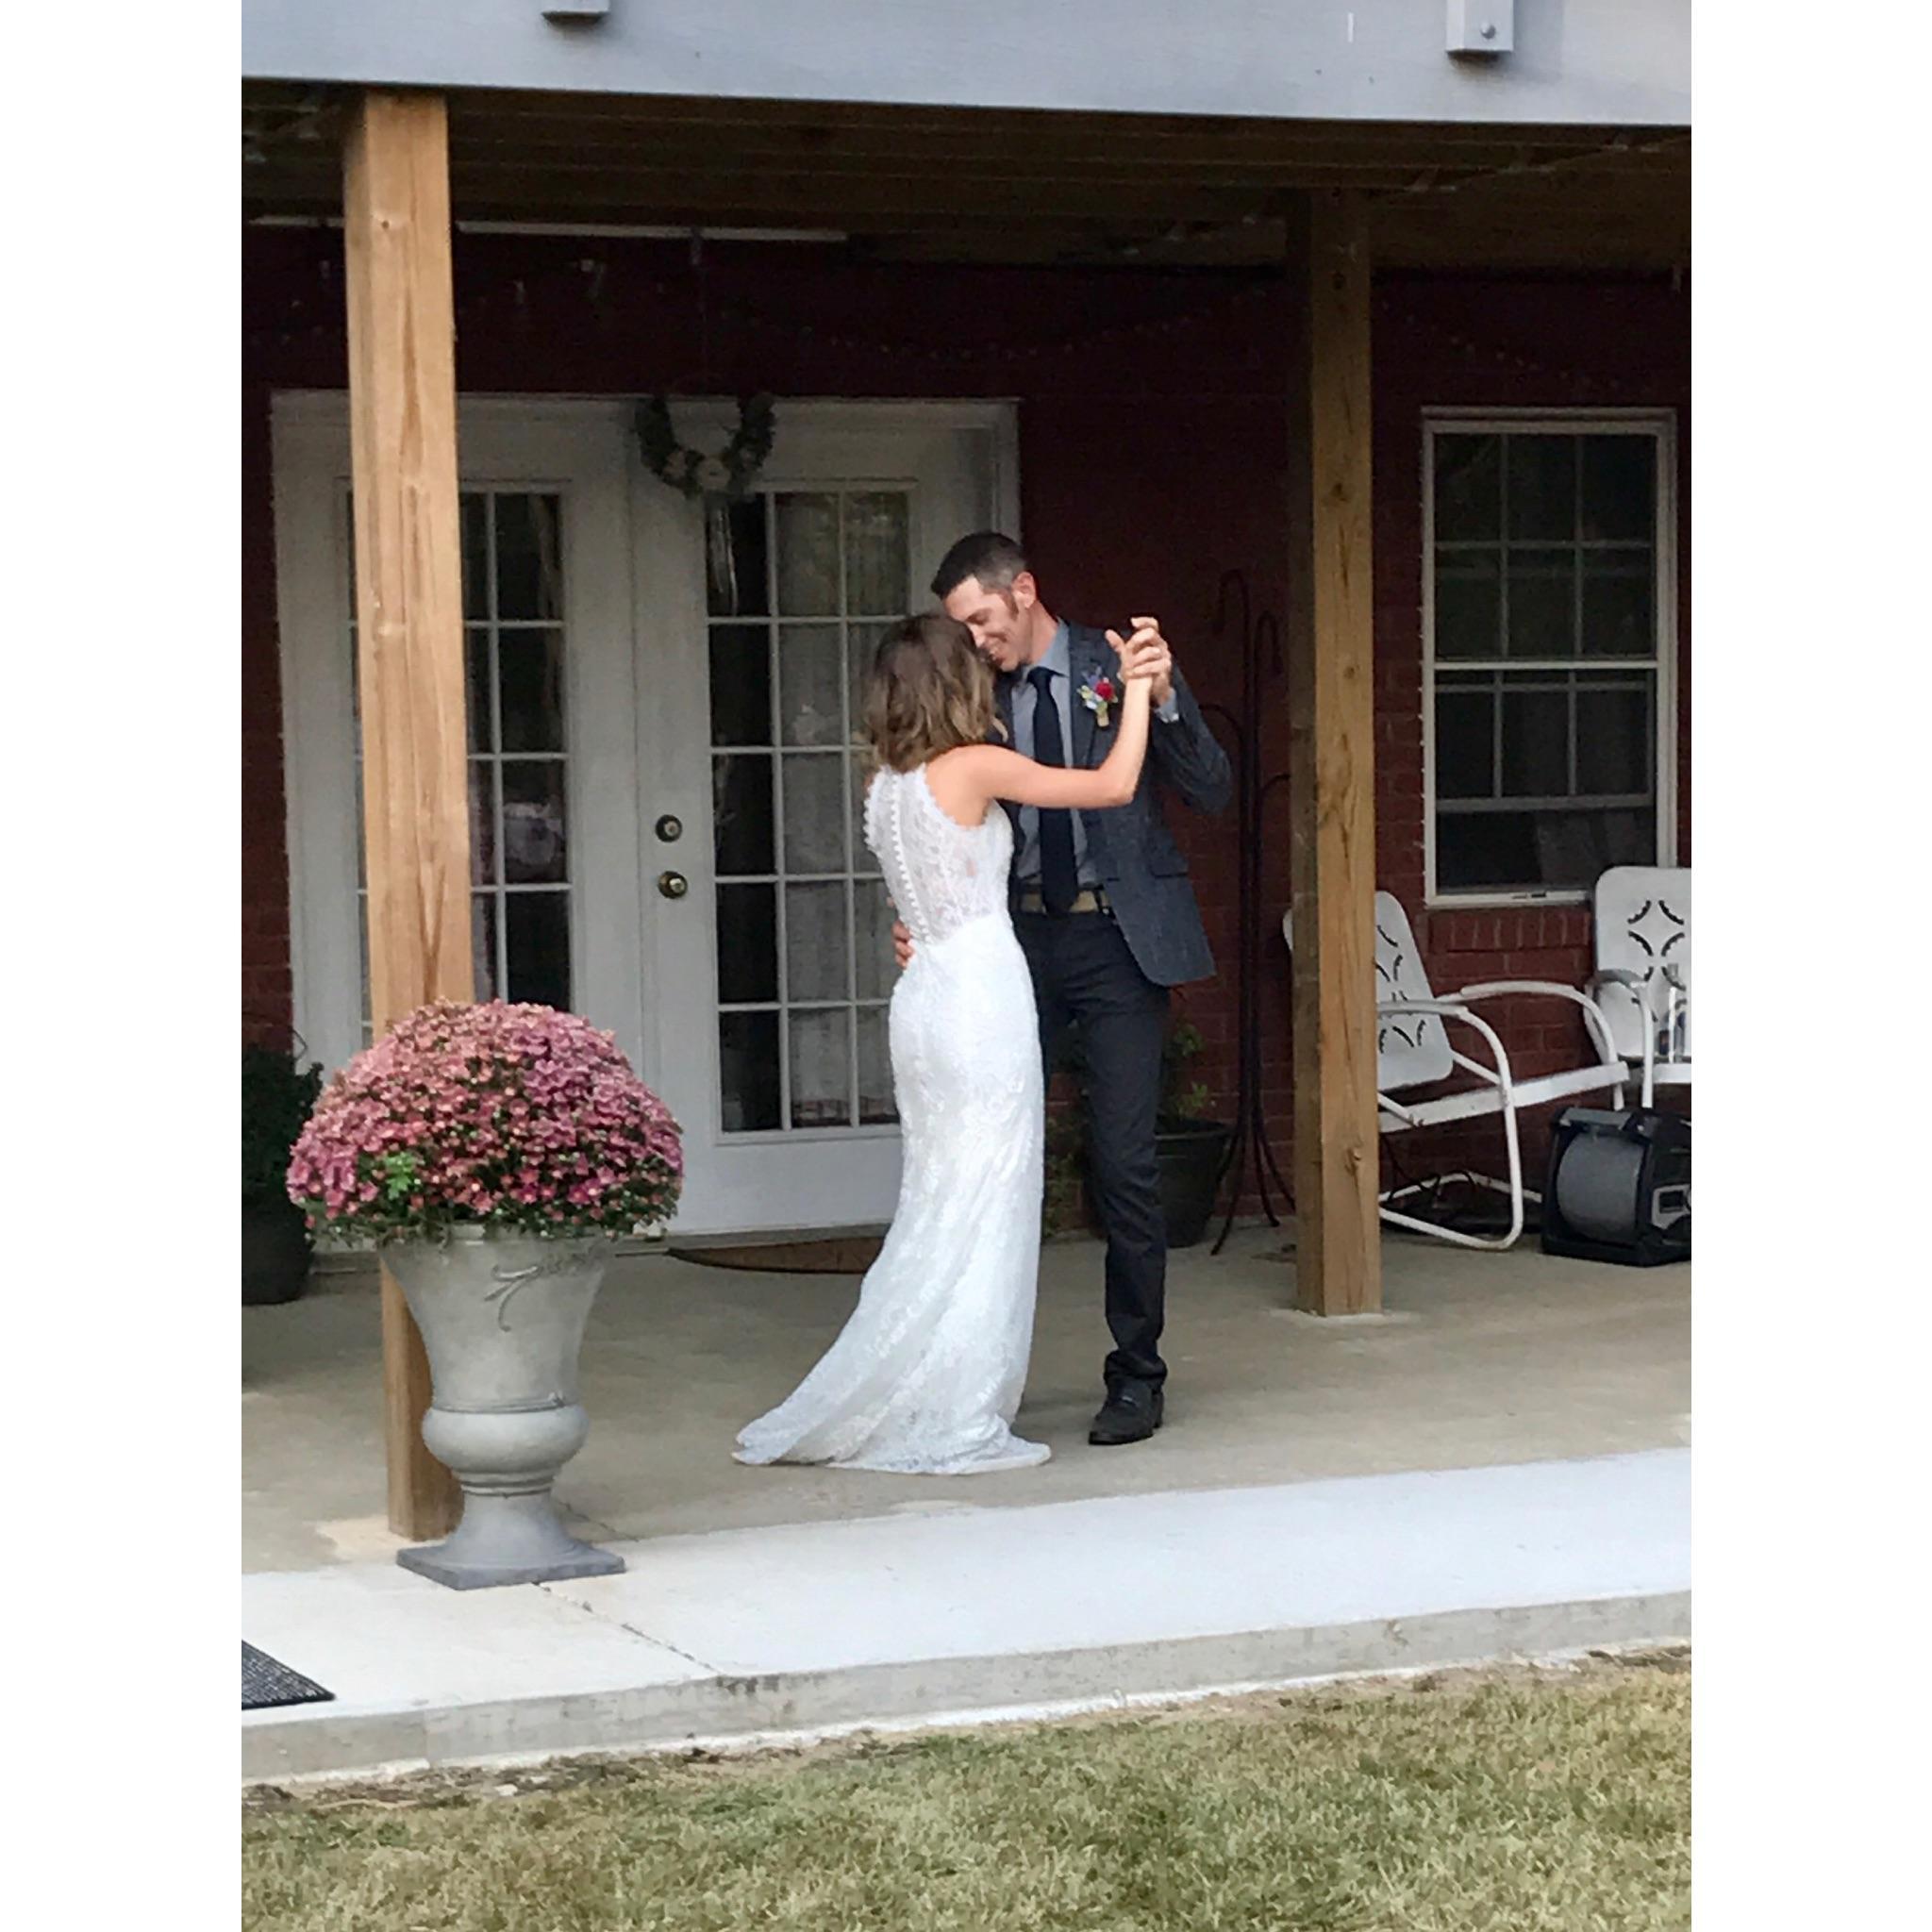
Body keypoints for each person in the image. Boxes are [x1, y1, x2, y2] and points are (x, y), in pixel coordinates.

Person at [735, 612, 1161, 1474]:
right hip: (978, 997)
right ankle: (958, 1401)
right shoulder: (971, 765)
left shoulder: (886, 784)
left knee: (939, 1197)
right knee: (989, 1200)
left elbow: (926, 891)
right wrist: (1142, 690)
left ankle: (919, 1378)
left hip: (925, 995)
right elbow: (1113, 787)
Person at [910, 532, 1233, 1448]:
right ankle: (968, 1378)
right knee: (983, 1163)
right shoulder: (964, 690)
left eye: (980, 618)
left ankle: (1136, 1374)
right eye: (958, 627)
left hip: (1116, 943)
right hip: (1007, 944)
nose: (973, 640)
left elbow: (1210, 789)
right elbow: (937, 809)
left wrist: (1164, 702)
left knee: (1125, 1164)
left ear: (1023, 591)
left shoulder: (1118, 663)